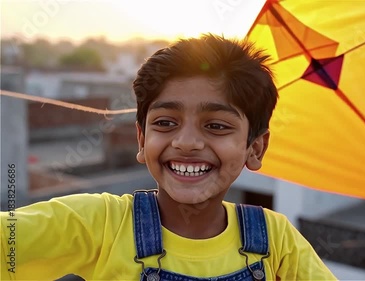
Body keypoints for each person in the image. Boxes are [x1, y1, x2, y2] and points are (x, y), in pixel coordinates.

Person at [0, 34, 338, 281]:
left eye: (216, 125)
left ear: (255, 148)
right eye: (165, 122)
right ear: (142, 138)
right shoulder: (100, 224)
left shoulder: (275, 241)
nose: (186, 142)